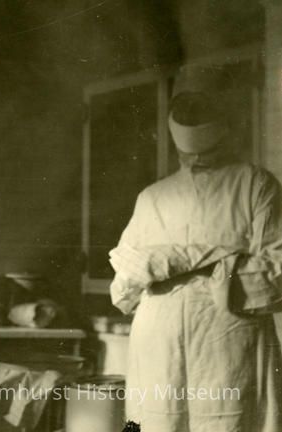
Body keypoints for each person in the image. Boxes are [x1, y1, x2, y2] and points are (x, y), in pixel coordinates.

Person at [109, 64, 282, 431]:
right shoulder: (153, 198)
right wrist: (212, 258)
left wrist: (177, 263)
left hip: (227, 339)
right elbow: (123, 288)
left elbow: (276, 272)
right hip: (160, 342)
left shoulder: (255, 185)